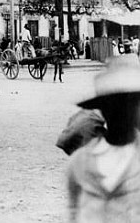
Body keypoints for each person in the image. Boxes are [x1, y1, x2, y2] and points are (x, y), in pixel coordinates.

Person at [67, 55, 140, 222]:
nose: (122, 112)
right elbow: (73, 212)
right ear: (103, 109)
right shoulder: (80, 163)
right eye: (114, 104)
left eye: (131, 103)